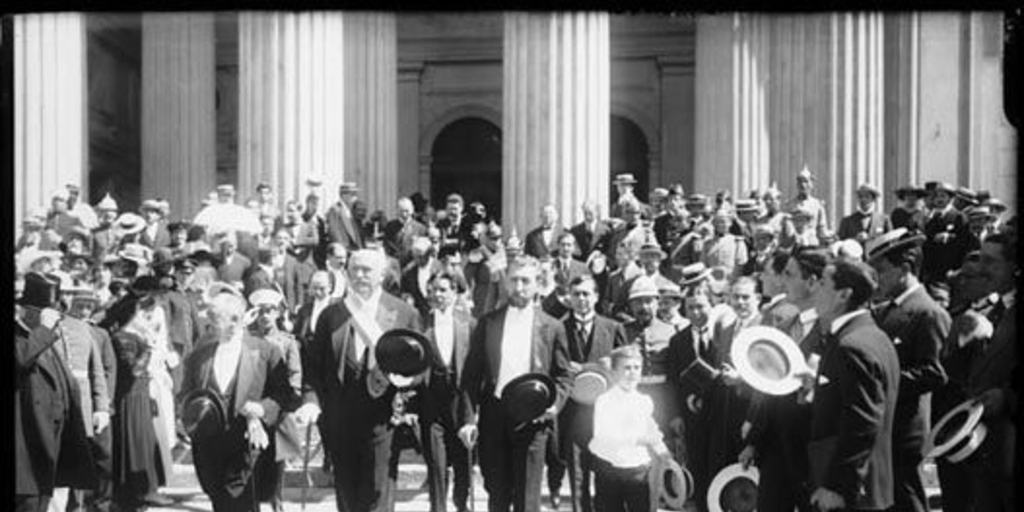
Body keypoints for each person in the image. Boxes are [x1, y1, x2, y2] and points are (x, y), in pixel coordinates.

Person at [304, 249, 421, 512]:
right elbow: (313, 368)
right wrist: (311, 401)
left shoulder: (403, 313)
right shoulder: (331, 315)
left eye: (367, 270)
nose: (359, 275)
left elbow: (421, 368)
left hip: (383, 417)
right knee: (346, 493)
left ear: (381, 275)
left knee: (377, 493)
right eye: (354, 269)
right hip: (339, 417)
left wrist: (407, 384)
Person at [458, 255, 573, 512]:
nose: (519, 287)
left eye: (526, 281)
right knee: (496, 494)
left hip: (533, 419)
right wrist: (467, 419)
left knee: (526, 498)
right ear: (505, 283)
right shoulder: (488, 323)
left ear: (538, 284)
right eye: (514, 280)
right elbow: (471, 376)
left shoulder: (552, 327)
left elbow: (564, 375)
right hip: (494, 416)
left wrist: (554, 405)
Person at [179, 291, 296, 512]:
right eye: (216, 321)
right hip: (208, 443)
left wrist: (261, 409)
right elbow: (186, 394)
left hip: (247, 441)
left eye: (232, 319)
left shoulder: (265, 351)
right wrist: (186, 416)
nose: (224, 326)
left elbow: (284, 395)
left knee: (240, 500)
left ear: (240, 318)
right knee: (219, 500)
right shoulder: (199, 356)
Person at [803, 258, 900, 512]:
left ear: (843, 295)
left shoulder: (852, 345)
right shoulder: (871, 335)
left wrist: (837, 485)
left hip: (850, 490)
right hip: (862, 482)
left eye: (823, 283)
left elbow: (863, 422)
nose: (814, 289)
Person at [865, 228, 950, 512]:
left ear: (905, 268)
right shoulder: (887, 309)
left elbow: (934, 372)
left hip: (905, 430)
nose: (876, 278)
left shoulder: (929, 312)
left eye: (882, 270)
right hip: (884, 422)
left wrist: (882, 381)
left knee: (908, 500)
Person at [16, 273, 98, 512]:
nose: (57, 320)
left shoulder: (43, 339)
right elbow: (22, 359)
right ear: (30, 312)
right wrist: (44, 328)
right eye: (50, 314)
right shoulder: (29, 337)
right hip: (25, 448)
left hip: (48, 443)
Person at [553, 275, 627, 512]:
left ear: (596, 297)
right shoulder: (558, 328)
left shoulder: (613, 328)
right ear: (569, 298)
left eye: (586, 294)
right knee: (577, 471)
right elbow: (552, 368)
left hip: (606, 412)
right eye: (576, 294)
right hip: (573, 412)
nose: (581, 299)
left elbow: (627, 371)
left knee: (607, 469)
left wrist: (612, 368)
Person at [964, 232, 1017, 512]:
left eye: (991, 261)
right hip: (987, 450)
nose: (980, 268)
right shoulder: (993, 309)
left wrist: (1005, 395)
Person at [417, 271, 476, 512]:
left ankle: (461, 504)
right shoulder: (421, 324)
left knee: (463, 464)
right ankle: (437, 507)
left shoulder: (469, 324)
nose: (438, 295)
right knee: (436, 464)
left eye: (443, 290)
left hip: (461, 402)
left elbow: (476, 367)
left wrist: (473, 413)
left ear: (454, 293)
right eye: (433, 290)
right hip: (431, 402)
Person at [589, 345, 673, 512]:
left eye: (637, 368)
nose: (632, 372)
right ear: (613, 372)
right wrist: (637, 439)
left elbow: (650, 426)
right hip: (608, 468)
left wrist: (661, 449)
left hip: (637, 469)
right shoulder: (605, 400)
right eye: (626, 368)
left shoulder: (644, 400)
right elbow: (603, 433)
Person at [784, 167, 830, 246]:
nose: (802, 185)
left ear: (811, 184)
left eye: (805, 181)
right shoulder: (789, 205)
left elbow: (821, 228)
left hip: (812, 244)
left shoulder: (817, 205)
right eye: (800, 182)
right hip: (794, 244)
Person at [384, 197, 428, 267]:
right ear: (397, 210)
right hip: (394, 265)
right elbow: (387, 246)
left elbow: (424, 250)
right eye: (401, 211)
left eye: (407, 211)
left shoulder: (421, 228)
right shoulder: (390, 226)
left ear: (412, 210)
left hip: (413, 266)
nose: (404, 214)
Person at [325, 182, 365, 251]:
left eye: (355, 194)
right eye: (352, 194)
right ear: (343, 195)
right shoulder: (335, 210)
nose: (355, 197)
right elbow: (334, 232)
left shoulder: (350, 210)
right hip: (344, 250)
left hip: (354, 249)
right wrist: (342, 249)